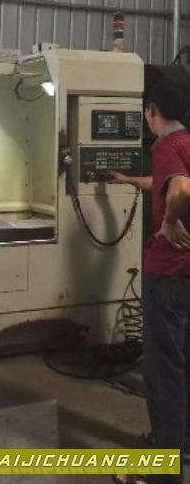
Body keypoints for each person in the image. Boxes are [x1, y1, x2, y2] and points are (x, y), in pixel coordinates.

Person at [112, 81, 190, 484]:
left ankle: (163, 472)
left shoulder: (164, 146)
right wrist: (132, 181)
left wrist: (170, 221)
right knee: (183, 364)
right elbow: (169, 182)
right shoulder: (187, 142)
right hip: (187, 274)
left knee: (163, 374)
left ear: (152, 110)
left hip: (168, 274)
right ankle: (180, 443)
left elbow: (180, 189)